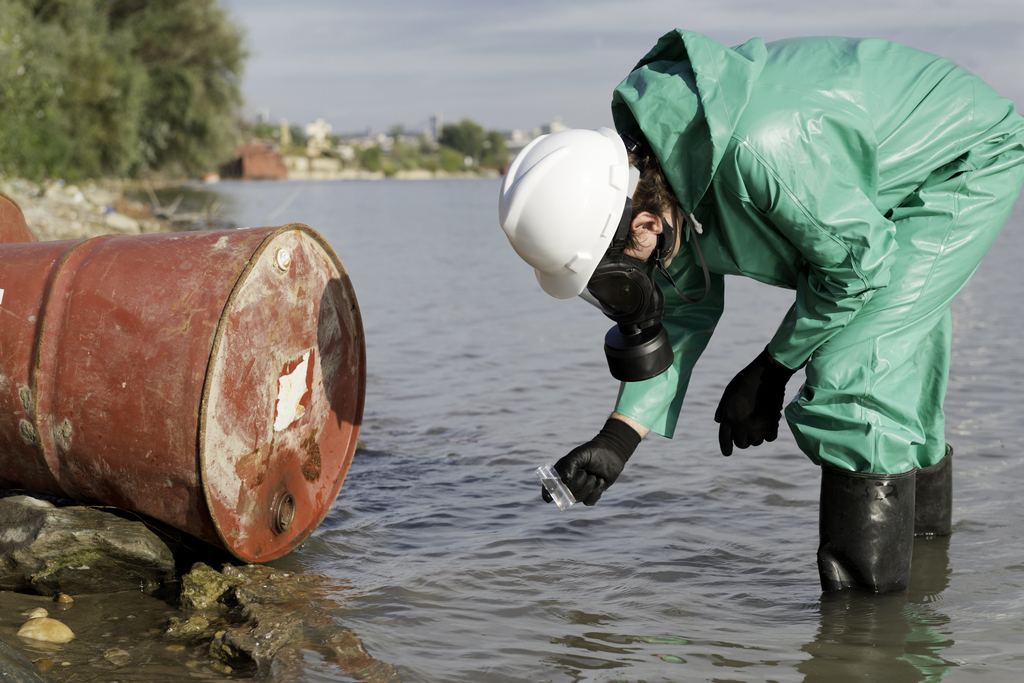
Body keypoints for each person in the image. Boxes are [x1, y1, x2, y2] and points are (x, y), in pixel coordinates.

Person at [497, 30, 1024, 593]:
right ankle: (924, 588)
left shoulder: (761, 152)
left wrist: (772, 368)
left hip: (963, 157)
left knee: (854, 375)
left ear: (644, 224)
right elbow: (684, 312)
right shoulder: (663, 183)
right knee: (895, 369)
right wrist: (617, 439)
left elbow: (855, 267)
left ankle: (866, 624)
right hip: (870, 180)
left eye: (616, 278)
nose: (625, 292)